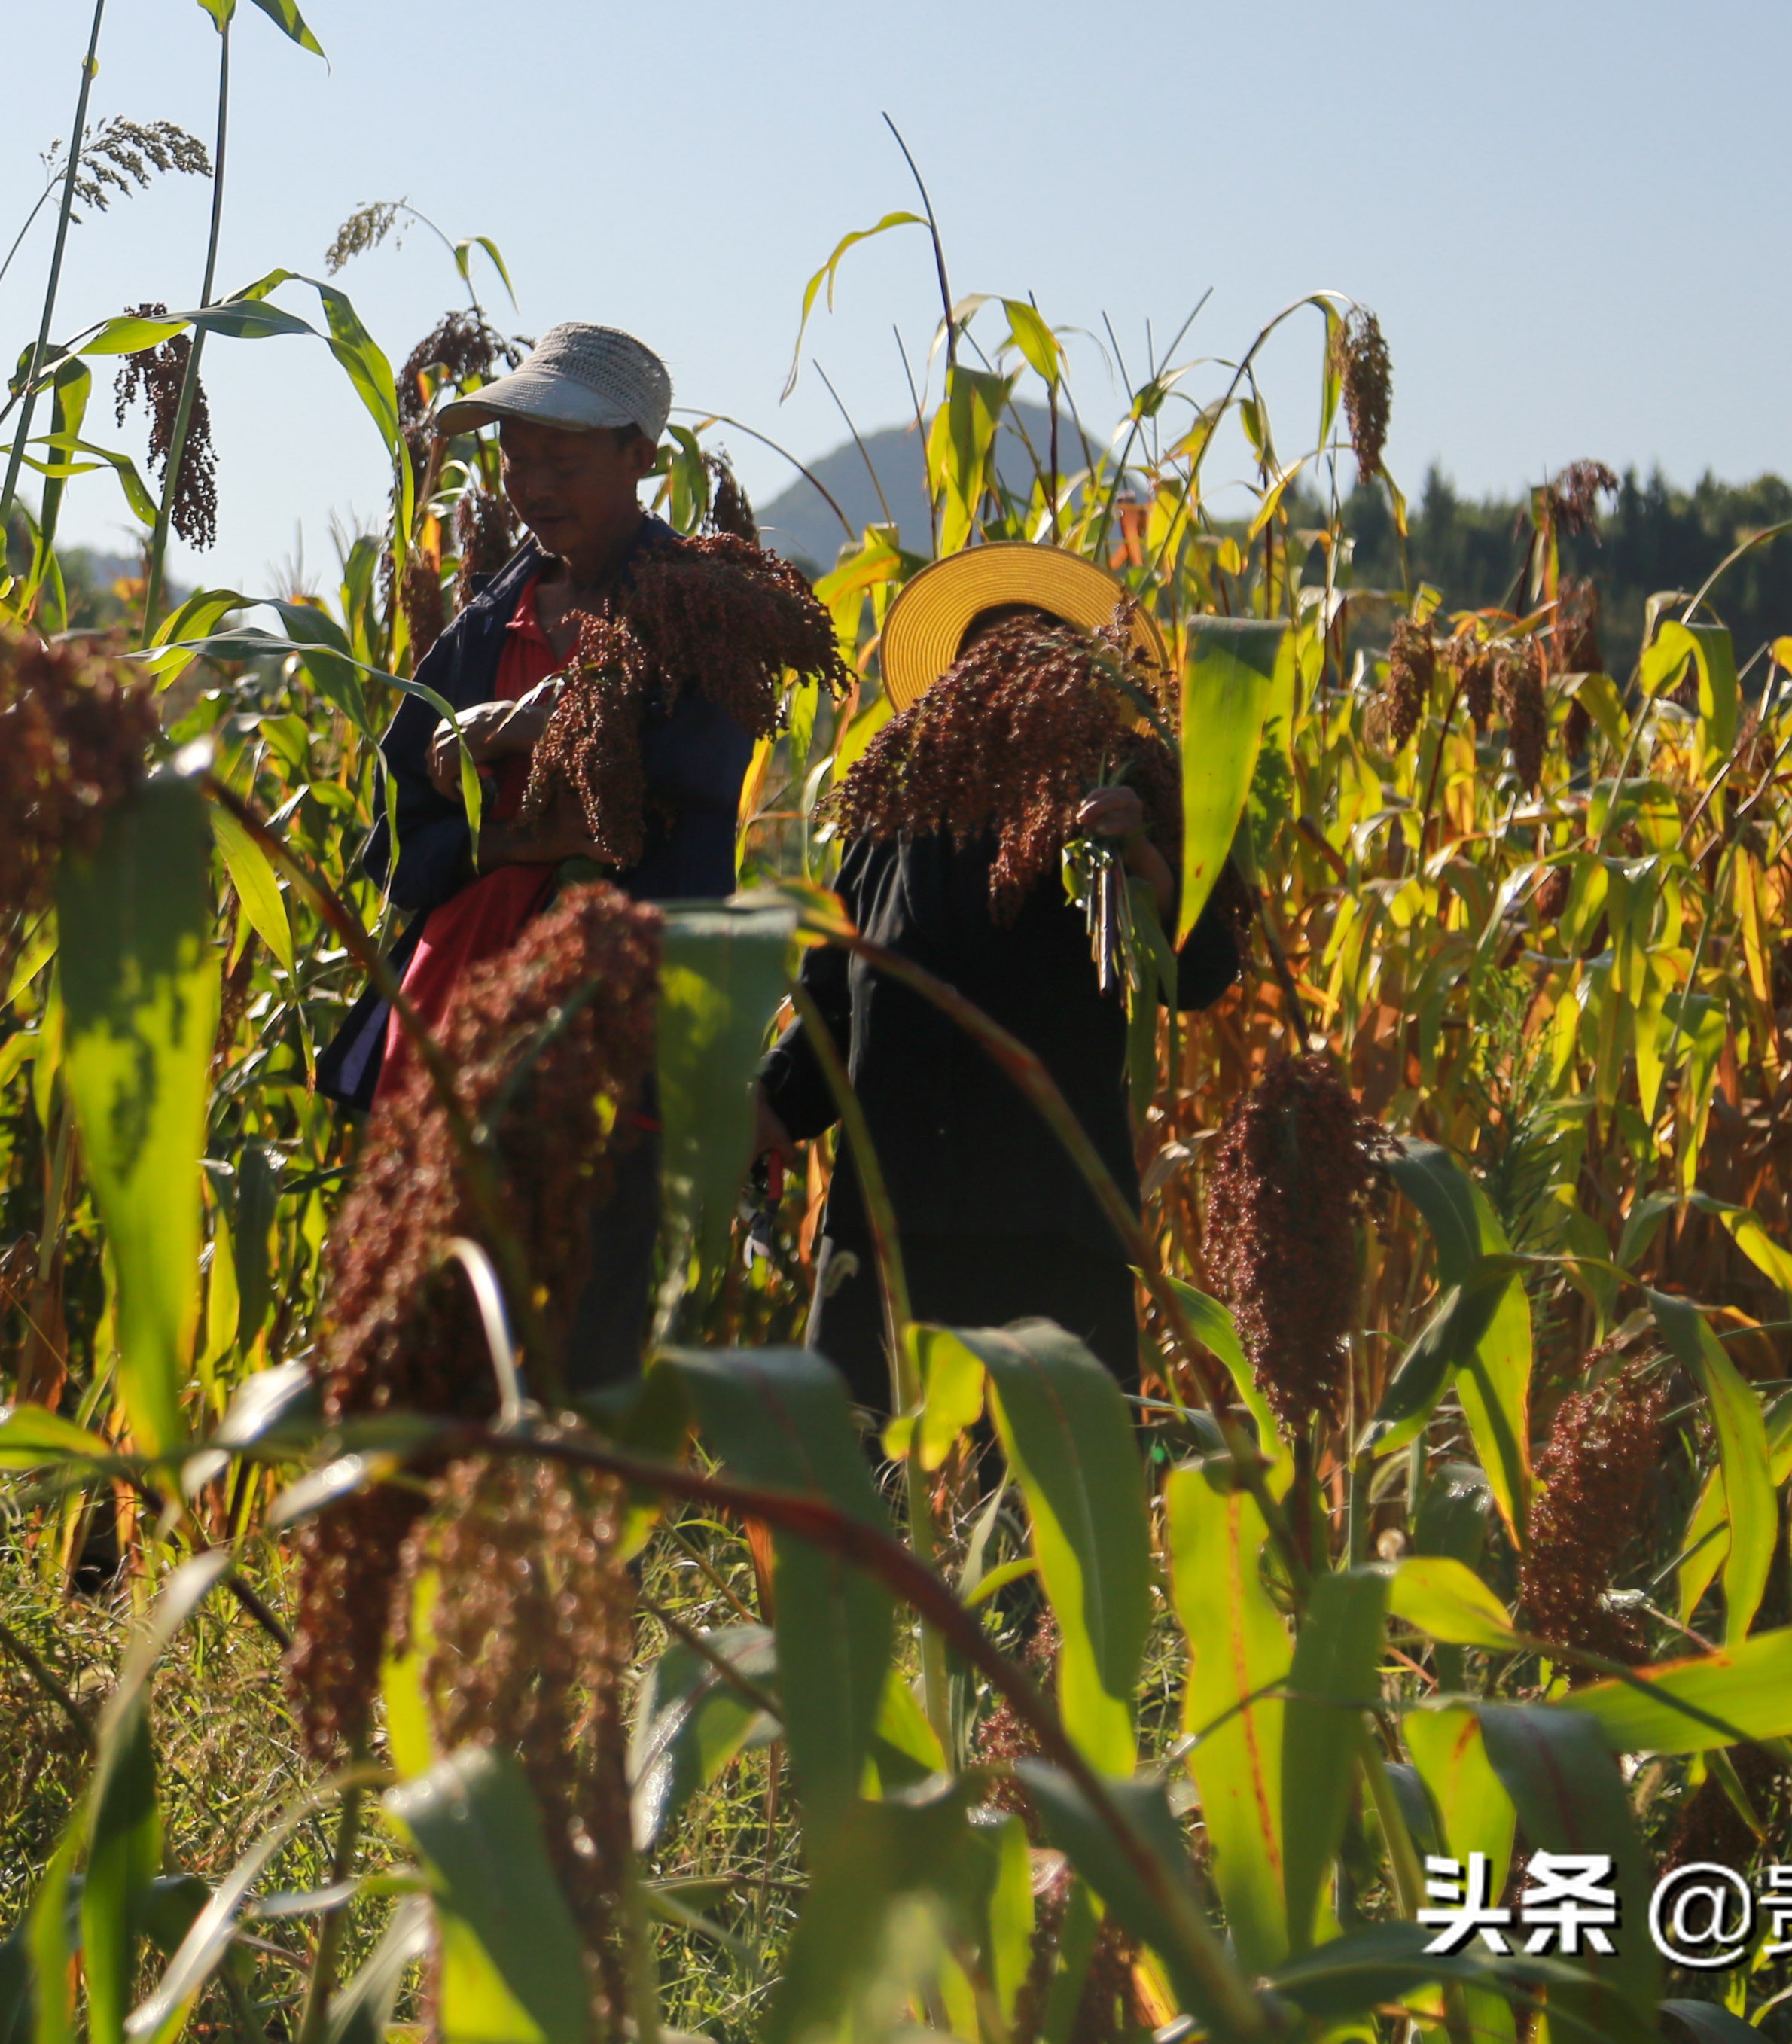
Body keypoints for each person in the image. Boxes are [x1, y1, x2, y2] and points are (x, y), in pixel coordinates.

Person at [318, 322, 753, 1387]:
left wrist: (507, 760)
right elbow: (402, 813)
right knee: (435, 1290)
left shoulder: (701, 615)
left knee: (589, 1303)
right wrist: (513, 805)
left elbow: (674, 809)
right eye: (517, 459)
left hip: (606, 1002)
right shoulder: (484, 622)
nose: (532, 484)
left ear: (639, 459)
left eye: (563, 460)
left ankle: (579, 1536)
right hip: (460, 991)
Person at [761, 544, 1242, 1412]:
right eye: (987, 654)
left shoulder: (1122, 794)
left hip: (1049, 1224)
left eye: (1038, 652)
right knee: (854, 1491)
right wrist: (764, 1110)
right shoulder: (894, 816)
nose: (1010, 675)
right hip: (887, 1217)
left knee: (1048, 1514)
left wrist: (1145, 866)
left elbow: (1200, 973)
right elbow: (834, 999)